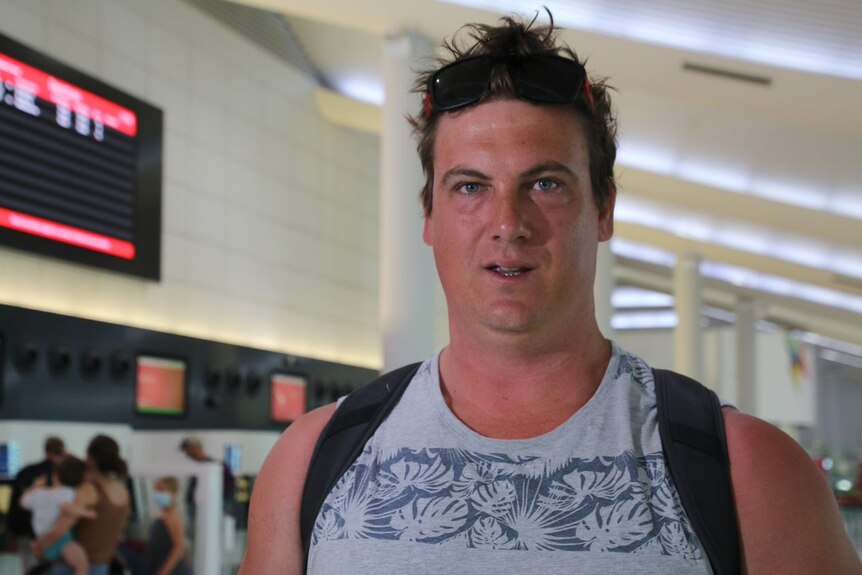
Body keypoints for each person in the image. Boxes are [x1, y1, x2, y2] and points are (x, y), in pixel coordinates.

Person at [240, 12, 862, 575]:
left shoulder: (750, 476)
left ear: (604, 209)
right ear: (428, 217)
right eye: (469, 187)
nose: (507, 223)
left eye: (544, 184)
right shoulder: (310, 464)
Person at [34, 434, 132, 575]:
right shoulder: (123, 491)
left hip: (71, 567)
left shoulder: (90, 489)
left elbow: (59, 530)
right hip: (102, 567)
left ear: (90, 459)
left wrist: (40, 547)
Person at [21, 456, 94, 575]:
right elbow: (67, 508)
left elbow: (23, 502)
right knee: (82, 566)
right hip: (61, 541)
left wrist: (35, 486)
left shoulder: (40, 494)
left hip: (41, 536)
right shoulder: (70, 494)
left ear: (55, 475)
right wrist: (87, 513)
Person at [8, 436, 66, 571]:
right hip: (54, 532)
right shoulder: (63, 476)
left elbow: (18, 503)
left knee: (29, 567)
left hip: (25, 531)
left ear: (46, 450)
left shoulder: (26, 472)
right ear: (62, 450)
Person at [145, 476, 192, 575]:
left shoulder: (173, 517)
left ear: (173, 494)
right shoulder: (162, 515)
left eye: (162, 490)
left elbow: (179, 547)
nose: (158, 494)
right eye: (157, 490)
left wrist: (164, 571)